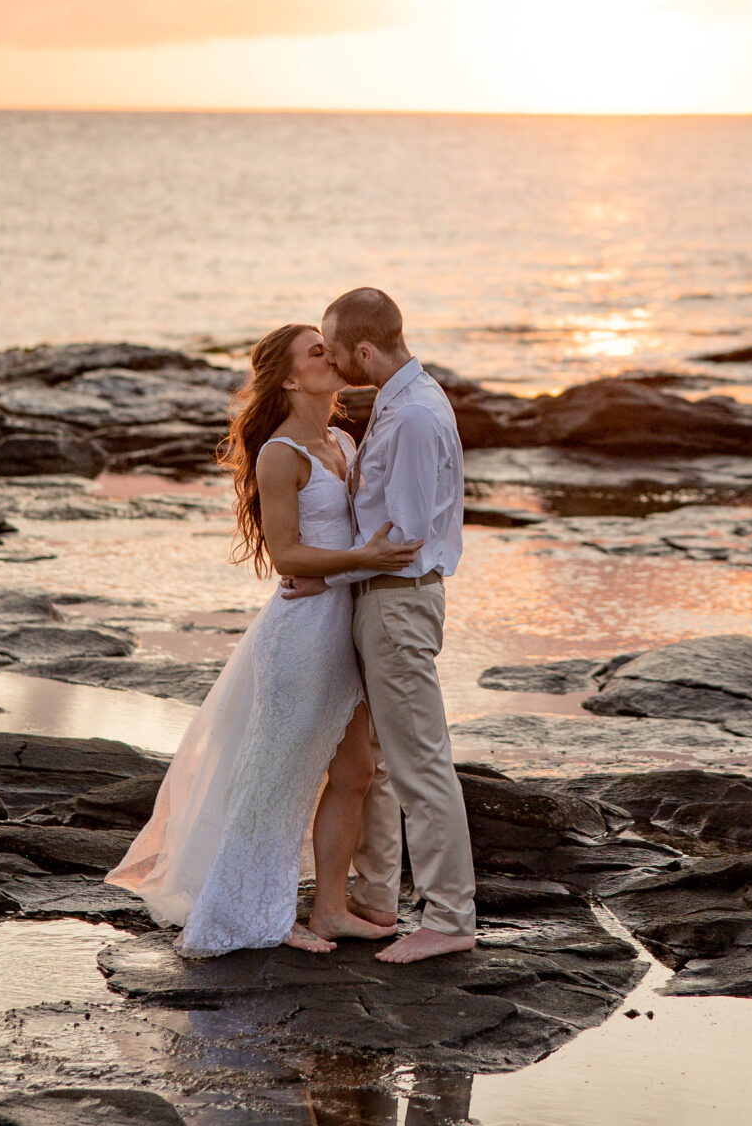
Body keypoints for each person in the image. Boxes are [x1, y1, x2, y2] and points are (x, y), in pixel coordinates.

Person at [105, 323, 421, 956]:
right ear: (288, 377)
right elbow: (287, 554)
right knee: (278, 778)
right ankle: (250, 916)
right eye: (316, 352)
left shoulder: (340, 439)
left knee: (356, 771)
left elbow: (352, 537)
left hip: (347, 624)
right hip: (304, 633)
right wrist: (363, 560)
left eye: (329, 348)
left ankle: (330, 909)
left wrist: (365, 565)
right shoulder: (281, 454)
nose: (330, 357)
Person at [279, 285, 476, 963]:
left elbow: (407, 535)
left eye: (336, 351)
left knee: (420, 761)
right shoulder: (397, 402)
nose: (332, 363)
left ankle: (450, 917)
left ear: (365, 348)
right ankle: (375, 897)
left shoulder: (415, 415)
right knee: (388, 763)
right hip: (379, 598)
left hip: (398, 600)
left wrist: (323, 575)